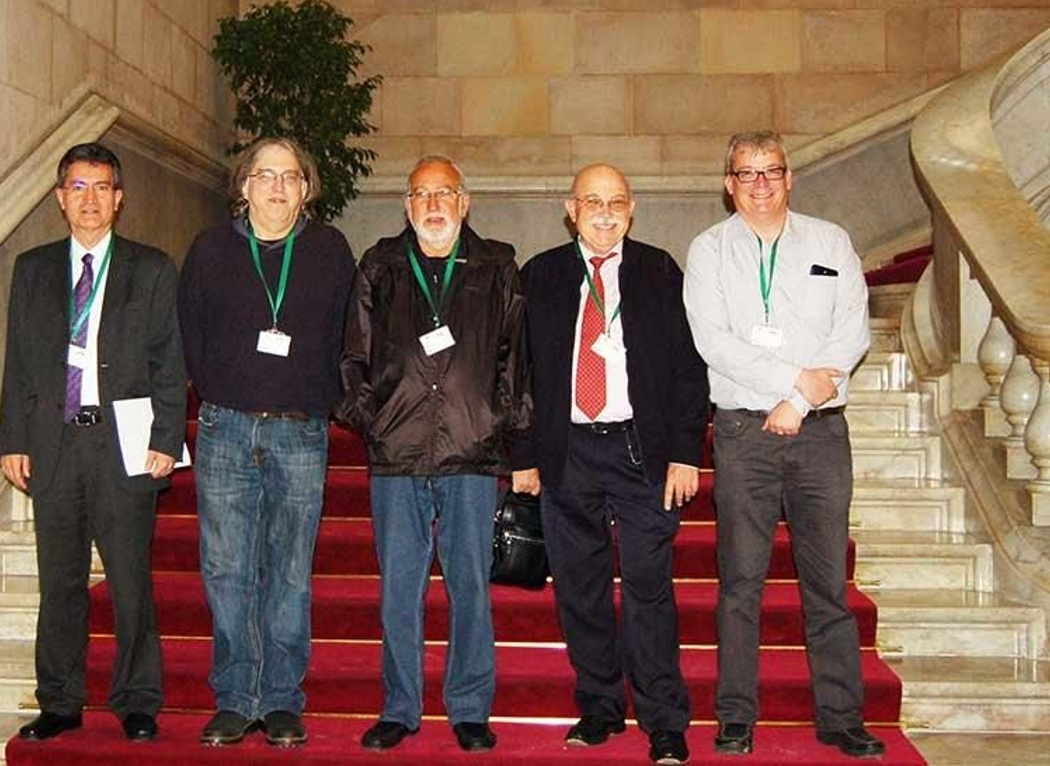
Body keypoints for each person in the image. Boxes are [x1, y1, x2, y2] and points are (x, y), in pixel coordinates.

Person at [682, 131, 883, 759]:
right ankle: (737, 716)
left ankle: (841, 718)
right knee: (740, 581)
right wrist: (794, 382)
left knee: (826, 584)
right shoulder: (709, 251)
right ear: (729, 184)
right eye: (747, 173)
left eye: (772, 171)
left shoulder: (831, 242)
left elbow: (850, 330)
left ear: (791, 178)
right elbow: (713, 342)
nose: (761, 183)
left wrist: (801, 403)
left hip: (820, 433)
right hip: (745, 432)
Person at [513, 163, 707, 765]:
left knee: (650, 590)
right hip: (567, 452)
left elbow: (687, 369)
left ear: (632, 207)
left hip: (640, 451)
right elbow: (516, 374)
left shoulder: (657, 270)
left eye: (615, 201)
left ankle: (664, 720)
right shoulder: (541, 275)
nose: (604, 212)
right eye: (591, 201)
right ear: (571, 208)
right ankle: (599, 708)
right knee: (580, 588)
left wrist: (683, 452)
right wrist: (523, 458)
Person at [338, 155, 531, 753]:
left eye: (444, 192)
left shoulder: (498, 264)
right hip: (396, 454)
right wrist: (374, 423)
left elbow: (515, 361)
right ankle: (400, 707)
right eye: (421, 194)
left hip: (470, 452)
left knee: (469, 584)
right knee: (399, 587)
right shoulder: (381, 264)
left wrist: (498, 424)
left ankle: (470, 708)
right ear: (407, 205)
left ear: (464, 201)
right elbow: (353, 359)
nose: (433, 204)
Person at [0, 141, 185, 743]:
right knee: (60, 581)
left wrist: (166, 436)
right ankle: (60, 701)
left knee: (130, 579)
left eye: (102, 188)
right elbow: (18, 364)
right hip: (54, 442)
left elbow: (168, 360)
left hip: (121, 443)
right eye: (78, 188)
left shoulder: (150, 269)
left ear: (119, 198)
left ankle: (137, 701)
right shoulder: (32, 270)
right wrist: (12, 438)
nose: (90, 200)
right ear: (59, 198)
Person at [177, 137, 357, 747]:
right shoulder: (209, 249)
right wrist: (220, 387)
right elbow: (190, 335)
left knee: (289, 572)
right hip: (226, 427)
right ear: (243, 186)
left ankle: (280, 699)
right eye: (265, 175)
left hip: (300, 432)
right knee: (226, 568)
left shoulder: (330, 251)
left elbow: (344, 335)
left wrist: (322, 398)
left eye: (290, 177)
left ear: (306, 189)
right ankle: (235, 697)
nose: (277, 187)